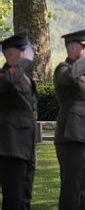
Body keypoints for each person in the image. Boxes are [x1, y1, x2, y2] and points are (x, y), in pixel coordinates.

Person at [54, 29, 85, 210]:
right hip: (71, 134)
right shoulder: (62, 69)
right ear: (72, 48)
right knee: (71, 185)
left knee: (83, 186)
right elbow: (70, 77)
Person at [0, 30, 37, 209]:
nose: (29, 54)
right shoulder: (5, 76)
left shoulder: (25, 79)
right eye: (25, 50)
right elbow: (8, 80)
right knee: (13, 199)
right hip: (10, 147)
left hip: (26, 146)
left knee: (24, 197)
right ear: (11, 53)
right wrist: (25, 61)